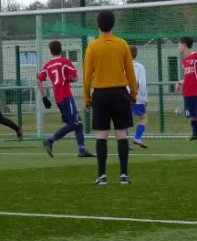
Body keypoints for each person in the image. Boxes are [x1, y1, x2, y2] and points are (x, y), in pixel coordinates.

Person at [83, 10, 137, 185]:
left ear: (98, 25)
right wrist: (133, 93)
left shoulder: (93, 46)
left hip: (100, 94)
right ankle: (124, 175)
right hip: (120, 93)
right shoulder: (122, 44)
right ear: (113, 25)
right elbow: (130, 71)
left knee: (102, 135)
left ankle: (102, 176)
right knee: (121, 134)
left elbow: (87, 75)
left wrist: (87, 98)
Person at [38, 40, 94, 158]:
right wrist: (69, 79)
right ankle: (50, 140)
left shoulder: (47, 65)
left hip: (58, 98)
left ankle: (82, 149)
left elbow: (39, 80)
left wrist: (44, 97)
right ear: (61, 50)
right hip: (66, 96)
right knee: (75, 123)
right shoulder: (65, 62)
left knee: (78, 123)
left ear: (50, 51)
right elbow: (75, 78)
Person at [129, 45, 148, 149]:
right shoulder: (139, 67)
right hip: (136, 96)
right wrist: (145, 98)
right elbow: (142, 84)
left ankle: (124, 143)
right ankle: (137, 137)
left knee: (123, 120)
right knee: (143, 117)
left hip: (122, 95)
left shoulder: (122, 65)